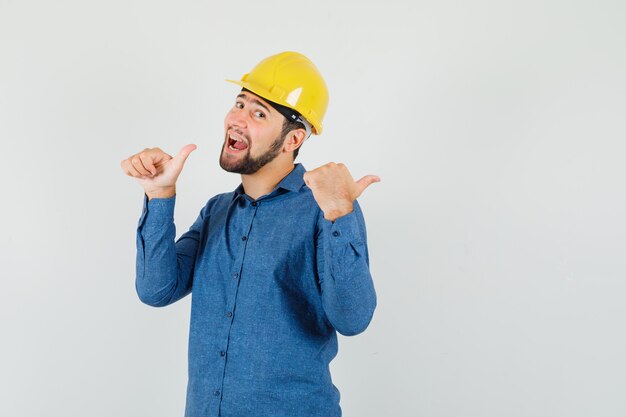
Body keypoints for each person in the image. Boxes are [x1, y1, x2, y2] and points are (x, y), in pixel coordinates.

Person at [120, 51, 379, 417]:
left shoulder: (327, 209)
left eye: (259, 113)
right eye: (239, 103)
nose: (237, 119)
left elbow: (353, 319)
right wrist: (159, 194)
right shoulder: (216, 211)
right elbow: (156, 290)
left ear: (293, 139)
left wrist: (340, 213)